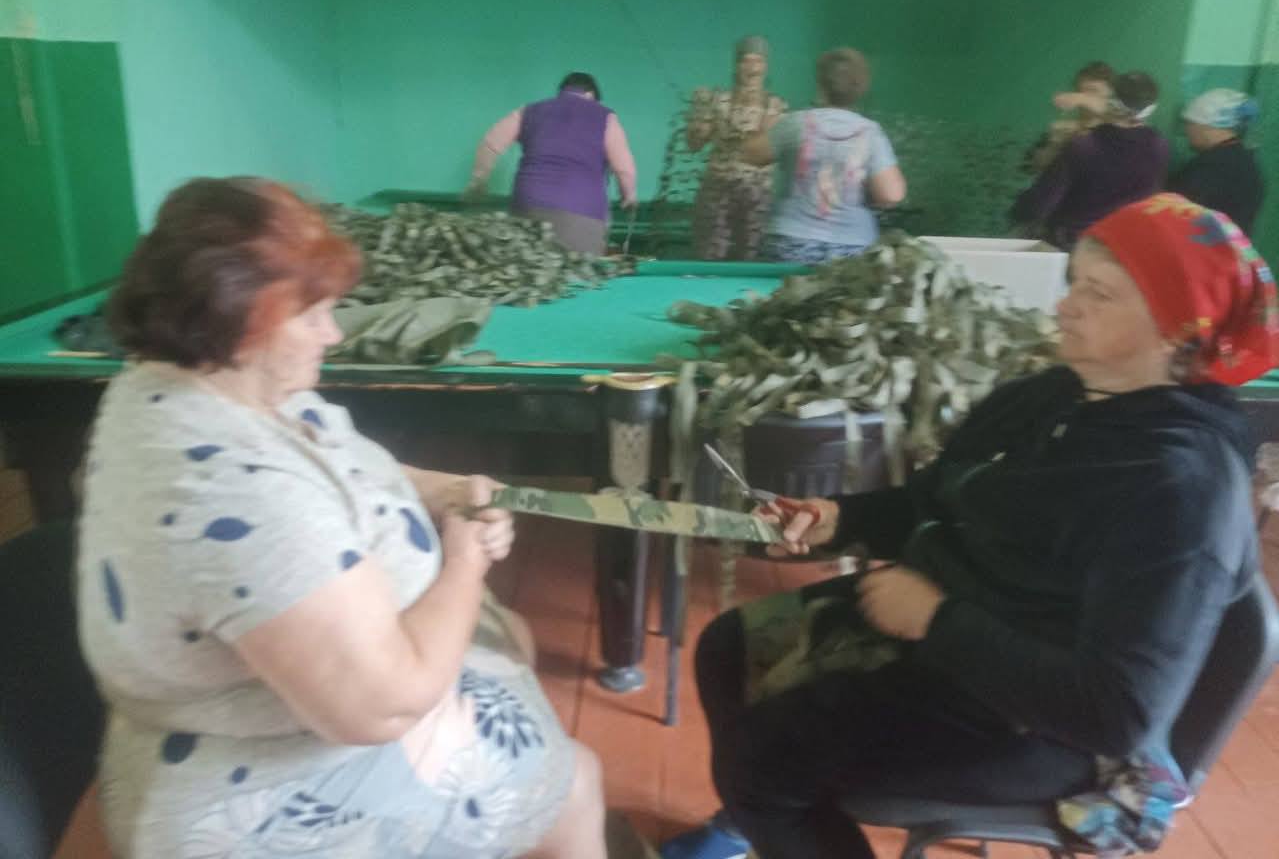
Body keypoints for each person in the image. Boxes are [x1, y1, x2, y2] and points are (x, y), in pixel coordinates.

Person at [663, 192, 1277, 859]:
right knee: (727, 647)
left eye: (1098, 294)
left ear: (1178, 331)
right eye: (1074, 281)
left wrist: (935, 619)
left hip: (1043, 723)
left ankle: (764, 802)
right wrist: (839, 519)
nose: (1065, 305)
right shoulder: (1051, 396)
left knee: (763, 758)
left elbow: (1116, 713)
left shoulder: (1178, 487)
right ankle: (757, 815)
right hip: (957, 624)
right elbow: (939, 501)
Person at [79, 178, 607, 859]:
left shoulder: (196, 385)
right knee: (578, 780)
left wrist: (444, 490)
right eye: (312, 316)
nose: (333, 333)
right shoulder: (235, 492)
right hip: (263, 796)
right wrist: (465, 560)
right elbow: (384, 705)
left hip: (264, 726)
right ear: (243, 322)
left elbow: (353, 466)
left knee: (514, 640)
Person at [739, 47, 905, 264]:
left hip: (790, 243)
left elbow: (750, 154)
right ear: (861, 89)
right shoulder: (870, 132)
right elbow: (892, 195)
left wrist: (767, 124)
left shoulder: (795, 123)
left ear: (820, 84)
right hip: (852, 249)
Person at [465, 72, 637, 255]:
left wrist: (478, 181)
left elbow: (491, 144)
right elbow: (624, 169)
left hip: (527, 210)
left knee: (528, 267)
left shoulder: (529, 111)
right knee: (579, 270)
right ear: (590, 94)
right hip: (582, 215)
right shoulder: (605, 116)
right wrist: (629, 197)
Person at [1011, 71, 1169, 249]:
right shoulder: (1159, 146)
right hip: (1126, 249)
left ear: (1110, 99)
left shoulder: (1084, 146)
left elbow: (1034, 207)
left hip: (1073, 246)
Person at [687, 36, 788, 260]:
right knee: (710, 258)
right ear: (736, 65)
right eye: (746, 61)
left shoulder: (777, 106)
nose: (752, 68)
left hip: (757, 198)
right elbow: (694, 144)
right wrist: (699, 116)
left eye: (758, 61)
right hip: (717, 195)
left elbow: (779, 154)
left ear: (765, 66)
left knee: (750, 260)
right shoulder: (717, 101)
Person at [1168, 88, 1265, 235]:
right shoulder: (1247, 163)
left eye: (1190, 124)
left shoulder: (1210, 167)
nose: (1187, 132)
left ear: (1207, 127)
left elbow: (1171, 212)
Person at [1023, 60, 1115, 174]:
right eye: (1079, 91)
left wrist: (1082, 99)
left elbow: (1116, 114)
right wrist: (1054, 146)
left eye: (1093, 91)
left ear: (1111, 92)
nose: (1083, 96)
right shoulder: (1063, 131)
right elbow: (1028, 168)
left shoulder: (1121, 125)